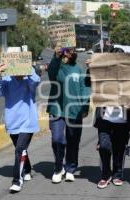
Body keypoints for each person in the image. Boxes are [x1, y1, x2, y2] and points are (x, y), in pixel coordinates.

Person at [0, 64, 40, 193]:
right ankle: (27, 169)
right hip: (12, 123)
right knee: (21, 150)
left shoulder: (29, 77)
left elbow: (36, 81)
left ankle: (17, 181)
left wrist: (27, 69)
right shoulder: (6, 79)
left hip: (28, 122)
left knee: (20, 149)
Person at [47, 46, 89, 183]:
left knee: (73, 141)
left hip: (74, 111)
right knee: (57, 140)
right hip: (56, 109)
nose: (72, 52)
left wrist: (85, 107)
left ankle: (70, 168)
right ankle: (58, 168)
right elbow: (52, 71)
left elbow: (85, 89)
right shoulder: (57, 67)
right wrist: (56, 56)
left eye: (73, 50)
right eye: (69, 50)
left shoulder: (78, 69)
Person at [94, 106, 130, 189]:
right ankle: (105, 175)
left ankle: (117, 175)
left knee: (119, 149)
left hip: (122, 120)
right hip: (105, 119)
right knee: (104, 147)